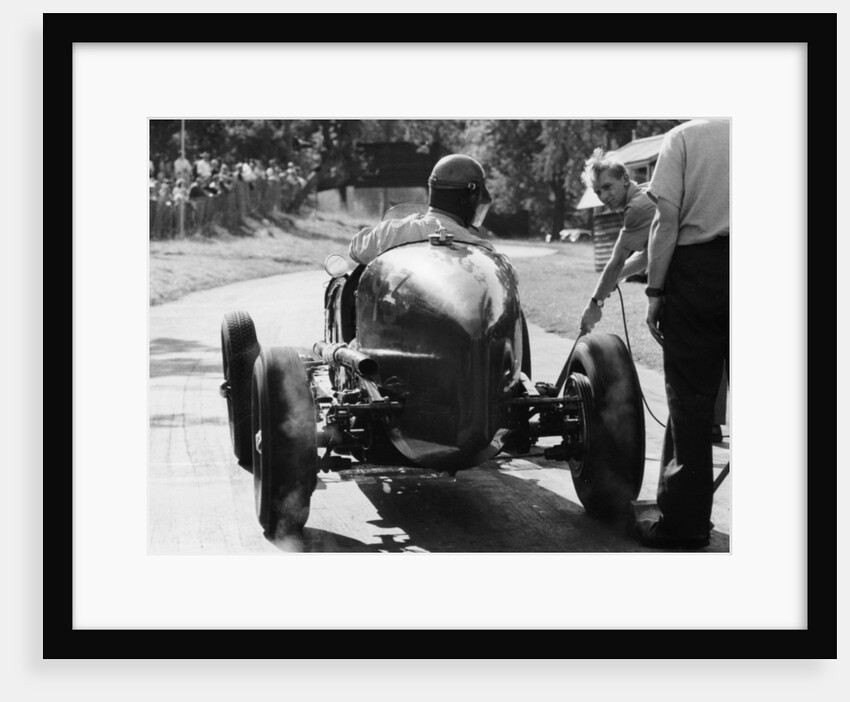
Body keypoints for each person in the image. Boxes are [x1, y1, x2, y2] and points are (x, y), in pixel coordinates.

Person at [637, 119, 730, 549]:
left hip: (700, 273)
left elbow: (666, 220)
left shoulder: (686, 136)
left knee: (690, 399)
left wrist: (655, 289)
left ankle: (685, 525)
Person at [348, 153, 496, 266]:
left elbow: (355, 251)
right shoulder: (481, 250)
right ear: (470, 199)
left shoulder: (390, 232)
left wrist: (406, 222)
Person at [577, 148, 657, 334]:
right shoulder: (644, 192)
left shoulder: (637, 207)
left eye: (607, 187)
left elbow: (617, 260)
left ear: (625, 179)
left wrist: (595, 304)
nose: (603, 197)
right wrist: (616, 278)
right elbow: (649, 253)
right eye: (598, 192)